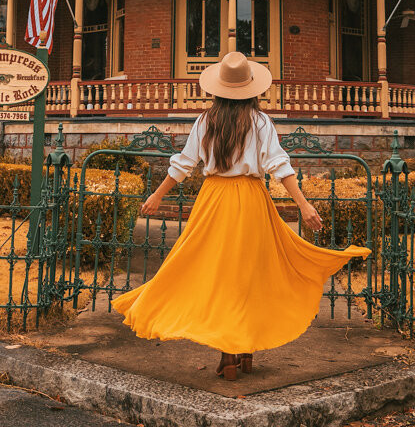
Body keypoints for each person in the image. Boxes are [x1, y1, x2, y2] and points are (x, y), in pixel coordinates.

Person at [111, 52, 371, 380]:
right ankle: (244, 352)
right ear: (252, 89)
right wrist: (304, 204)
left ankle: (230, 355)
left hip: (214, 201)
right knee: (250, 275)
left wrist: (157, 194)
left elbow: (184, 163)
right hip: (251, 201)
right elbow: (279, 166)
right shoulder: (260, 122)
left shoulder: (206, 121)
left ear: (218, 89)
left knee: (218, 276)